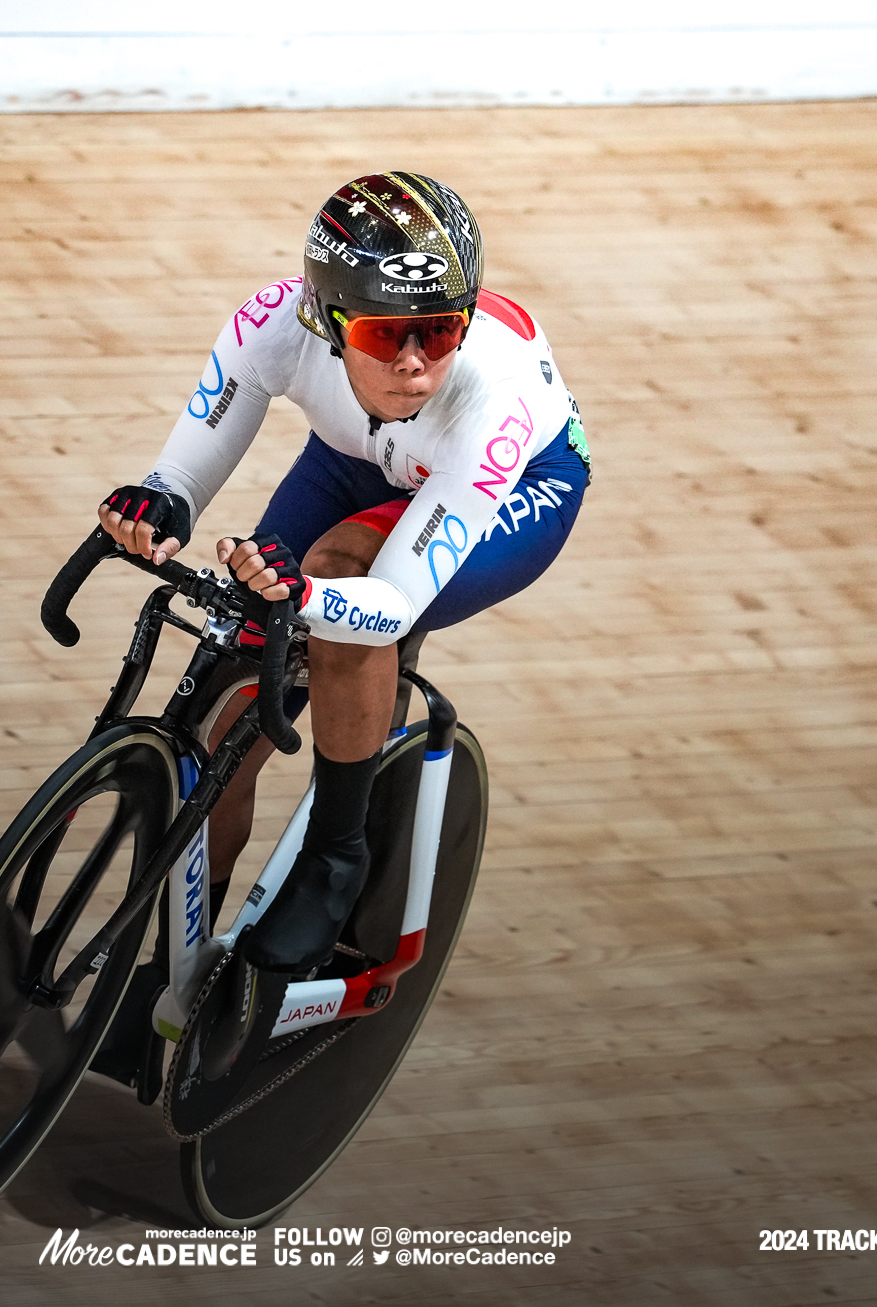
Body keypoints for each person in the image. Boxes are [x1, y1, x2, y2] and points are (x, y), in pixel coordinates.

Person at [99, 171, 590, 977]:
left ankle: (337, 854)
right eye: (380, 337)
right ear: (325, 322)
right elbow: (181, 474)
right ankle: (170, 970)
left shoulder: (488, 399)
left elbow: (388, 601)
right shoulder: (273, 325)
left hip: (512, 482)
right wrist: (162, 502)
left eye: (437, 331)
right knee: (223, 714)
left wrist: (309, 598)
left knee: (338, 576)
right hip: (358, 460)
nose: (412, 364)